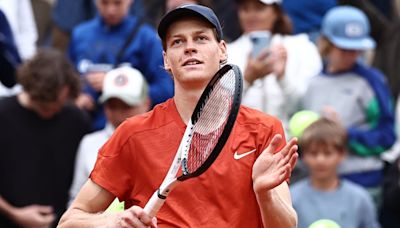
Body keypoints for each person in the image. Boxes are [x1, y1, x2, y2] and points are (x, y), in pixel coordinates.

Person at [58, 4, 298, 227]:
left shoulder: (264, 129)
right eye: (177, 42)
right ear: (166, 60)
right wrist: (113, 221)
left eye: (201, 38)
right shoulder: (132, 134)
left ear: (222, 50)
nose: (189, 47)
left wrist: (265, 194)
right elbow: (69, 221)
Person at [302, 6, 395, 201]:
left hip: (363, 180)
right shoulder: (312, 83)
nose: (351, 55)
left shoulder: (373, 81)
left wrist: (344, 133)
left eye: (356, 49)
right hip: (318, 184)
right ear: (326, 43)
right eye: (343, 48)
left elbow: (387, 137)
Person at [0, 48, 91, 227]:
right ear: (32, 91)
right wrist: (14, 213)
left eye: (60, 101)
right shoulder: (3, 115)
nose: (55, 108)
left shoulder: (76, 119)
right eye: (46, 104)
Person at [69, 0, 174, 131]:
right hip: (86, 128)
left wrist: (115, 84)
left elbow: (166, 89)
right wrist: (77, 98)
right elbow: (67, 83)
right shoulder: (80, 34)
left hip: (130, 128)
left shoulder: (145, 37)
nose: (110, 10)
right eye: (104, 3)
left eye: (117, 3)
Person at [228, 0, 322, 135]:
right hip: (241, 145)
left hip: (290, 144)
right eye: (245, 9)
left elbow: (307, 107)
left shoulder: (303, 48)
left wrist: (282, 78)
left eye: (259, 8)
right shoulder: (226, 52)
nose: (251, 15)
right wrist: (248, 79)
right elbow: (221, 111)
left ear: (276, 12)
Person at [68, 66, 150, 206]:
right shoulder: (89, 143)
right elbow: (75, 202)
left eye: (126, 105)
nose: (119, 113)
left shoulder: (163, 142)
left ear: (146, 103)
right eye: (112, 106)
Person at [291, 118, 380, 228]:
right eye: (313, 153)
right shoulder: (292, 198)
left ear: (342, 154)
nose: (320, 160)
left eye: (327, 153)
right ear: (303, 155)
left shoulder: (360, 199)